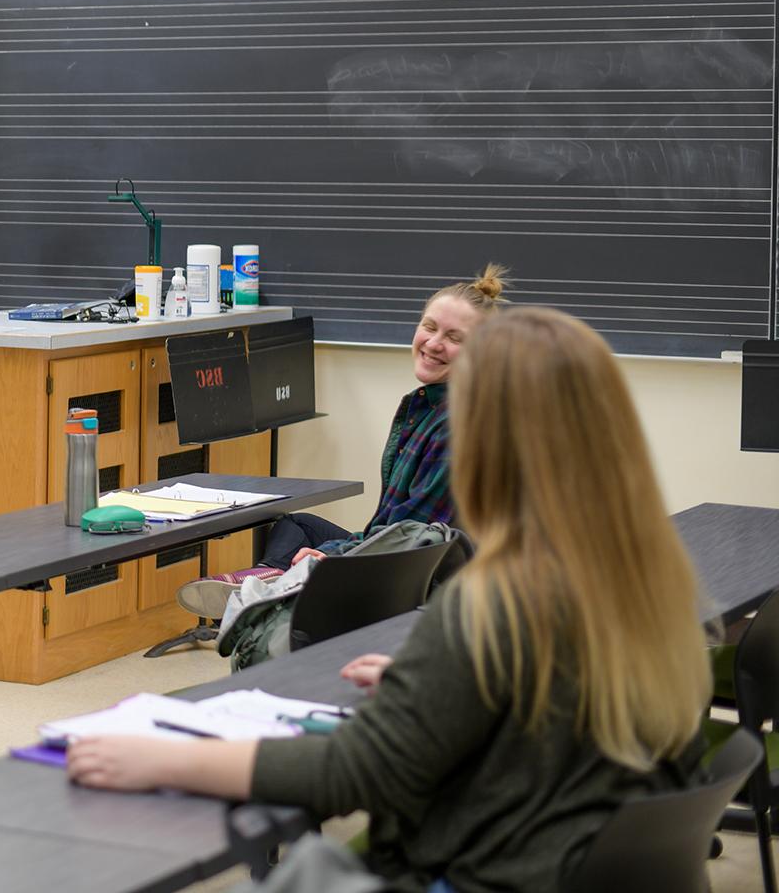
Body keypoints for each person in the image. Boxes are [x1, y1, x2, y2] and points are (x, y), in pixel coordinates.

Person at [69, 307, 711, 892]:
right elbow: (551, 712)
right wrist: (436, 681)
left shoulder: (498, 601)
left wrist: (171, 759)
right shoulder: (653, 587)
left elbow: (357, 771)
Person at [177, 264, 510, 618]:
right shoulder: (425, 405)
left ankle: (273, 588)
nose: (434, 343)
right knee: (297, 525)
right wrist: (342, 549)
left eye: (455, 338)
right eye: (429, 327)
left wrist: (335, 555)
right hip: (396, 551)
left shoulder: (462, 425)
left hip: (427, 583)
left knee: (312, 557)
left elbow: (412, 537)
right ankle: (272, 579)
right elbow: (391, 527)